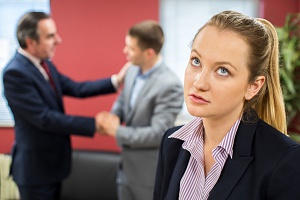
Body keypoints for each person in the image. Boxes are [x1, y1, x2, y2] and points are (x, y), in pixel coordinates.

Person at [153, 10, 300, 200]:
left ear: (253, 86)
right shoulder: (171, 142)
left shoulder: (284, 160)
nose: (199, 83)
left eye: (223, 70)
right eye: (196, 61)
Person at [3, 11, 128, 200]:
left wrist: (115, 81)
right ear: (30, 42)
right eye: (51, 36)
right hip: (35, 171)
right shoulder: (14, 73)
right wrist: (95, 125)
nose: (58, 40)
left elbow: (76, 88)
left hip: (53, 167)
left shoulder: (44, 64)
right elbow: (44, 119)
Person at [96, 20, 184, 200]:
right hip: (125, 171)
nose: (125, 51)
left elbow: (158, 133)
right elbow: (122, 101)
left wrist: (117, 131)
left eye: (131, 48)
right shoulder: (131, 71)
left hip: (147, 176)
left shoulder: (170, 85)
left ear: (149, 53)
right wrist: (113, 117)